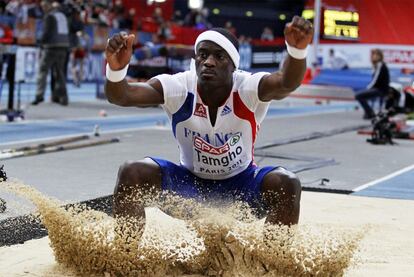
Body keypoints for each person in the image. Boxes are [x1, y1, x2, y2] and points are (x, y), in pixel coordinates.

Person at [105, 16, 313, 228]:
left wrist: (296, 52)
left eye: (219, 56)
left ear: (234, 66)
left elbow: (286, 83)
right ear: (195, 60)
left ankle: (274, 259)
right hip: (189, 189)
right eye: (202, 55)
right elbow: (122, 96)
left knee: (287, 183)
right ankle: (126, 255)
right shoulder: (178, 87)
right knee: (132, 171)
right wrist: (116, 71)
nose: (208, 62)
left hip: (240, 188)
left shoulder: (248, 88)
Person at [32, 0, 69, 106]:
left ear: (49, 6)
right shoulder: (62, 16)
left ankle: (39, 95)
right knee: (60, 73)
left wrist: (40, 43)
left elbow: (46, 33)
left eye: (44, 7)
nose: (43, 9)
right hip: (63, 46)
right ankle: (63, 98)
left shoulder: (50, 16)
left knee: (43, 70)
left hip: (51, 47)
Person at [355, 49, 390, 119]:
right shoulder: (376, 65)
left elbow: (375, 80)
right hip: (378, 88)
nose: (374, 56)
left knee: (358, 95)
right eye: (373, 55)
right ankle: (369, 112)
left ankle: (370, 113)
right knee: (361, 95)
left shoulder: (380, 65)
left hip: (381, 90)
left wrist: (368, 88)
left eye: (376, 55)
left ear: (380, 56)